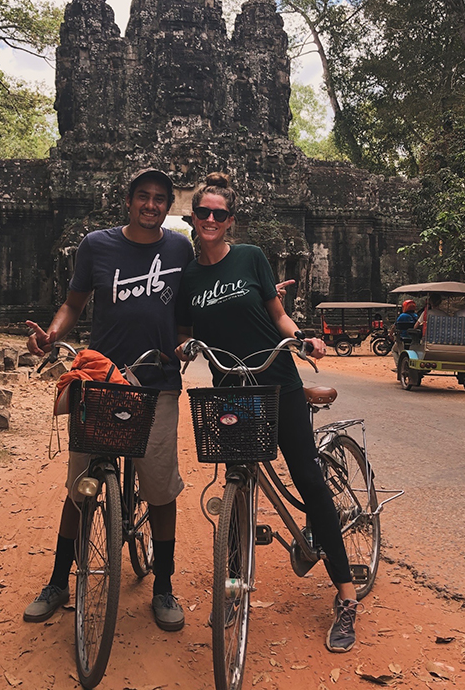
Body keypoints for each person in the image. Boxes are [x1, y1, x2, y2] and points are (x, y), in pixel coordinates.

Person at [175, 172, 360, 654]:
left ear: (229, 220)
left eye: (219, 213)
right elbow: (181, 331)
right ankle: (233, 585)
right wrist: (180, 347)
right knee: (238, 477)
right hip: (229, 387)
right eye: (203, 212)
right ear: (192, 218)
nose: (211, 219)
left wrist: (301, 337)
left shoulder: (251, 257)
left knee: (307, 479)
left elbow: (277, 314)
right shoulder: (189, 277)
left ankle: (345, 596)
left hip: (278, 380)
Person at [23, 168, 194, 632]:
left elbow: (187, 311)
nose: (152, 205)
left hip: (157, 383)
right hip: (101, 379)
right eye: (144, 196)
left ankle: (163, 587)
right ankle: (59, 580)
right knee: (81, 485)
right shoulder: (96, 246)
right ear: (128, 200)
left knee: (159, 489)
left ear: (168, 206)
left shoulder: (181, 248)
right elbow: (73, 304)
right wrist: (53, 334)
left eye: (161, 198)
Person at [390, 299, 418, 367]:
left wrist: (391, 334)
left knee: (394, 350)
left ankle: (399, 366)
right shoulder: (416, 316)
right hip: (413, 339)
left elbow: (394, 326)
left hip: (402, 338)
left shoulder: (402, 316)